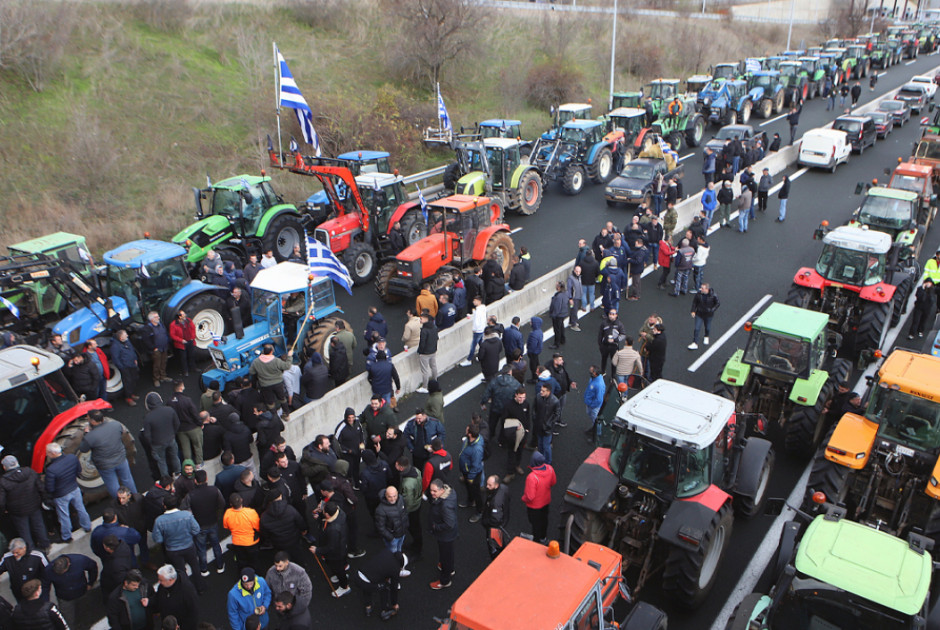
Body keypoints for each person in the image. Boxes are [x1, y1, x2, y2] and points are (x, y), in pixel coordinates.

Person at [152, 495, 204, 594]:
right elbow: (196, 529)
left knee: (181, 571)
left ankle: (187, 590)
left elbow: (158, 539)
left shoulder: (159, 521)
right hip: (189, 546)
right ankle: (200, 587)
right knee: (195, 566)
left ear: (164, 506)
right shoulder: (187, 515)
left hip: (172, 550)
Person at [43, 443, 92, 543]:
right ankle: (87, 526)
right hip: (74, 488)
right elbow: (79, 471)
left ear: (52, 453)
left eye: (47, 453)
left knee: (64, 516)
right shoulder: (72, 458)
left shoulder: (51, 470)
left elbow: (50, 488)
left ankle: (67, 537)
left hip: (61, 495)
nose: (46, 454)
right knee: (81, 509)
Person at [181, 470, 226, 576]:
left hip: (199, 525)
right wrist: (217, 515)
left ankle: (204, 569)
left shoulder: (190, 495)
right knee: (215, 544)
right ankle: (220, 565)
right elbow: (222, 504)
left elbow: (183, 508)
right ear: (206, 479)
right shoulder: (214, 490)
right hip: (213, 522)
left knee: (201, 548)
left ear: (195, 481)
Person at [0, 456, 50, 552]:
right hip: (34, 505)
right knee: (39, 526)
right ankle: (45, 545)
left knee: (24, 531)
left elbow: (1, 501)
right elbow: (41, 487)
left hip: (17, 511)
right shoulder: (30, 472)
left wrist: (3, 510)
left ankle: (30, 550)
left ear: (5, 467)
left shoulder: (3, 482)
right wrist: (45, 500)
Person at [309, 502, 351, 597]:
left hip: (336, 554)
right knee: (340, 566)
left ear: (327, 514)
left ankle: (344, 586)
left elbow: (331, 547)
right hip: (342, 546)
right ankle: (342, 574)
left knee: (338, 568)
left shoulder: (333, 529)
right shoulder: (340, 513)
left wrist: (317, 550)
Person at [44, 553, 97, 628]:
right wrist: (45, 603)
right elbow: (45, 586)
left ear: (68, 564)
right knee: (67, 620)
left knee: (85, 614)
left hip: (82, 592)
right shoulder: (48, 570)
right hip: (64, 598)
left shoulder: (80, 560)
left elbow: (93, 567)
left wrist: (91, 582)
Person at [352, 548, 405, 620]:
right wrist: (394, 604)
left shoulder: (386, 551)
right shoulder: (395, 569)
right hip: (367, 583)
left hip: (358, 575)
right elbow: (394, 588)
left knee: (367, 587)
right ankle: (384, 610)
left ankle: (368, 607)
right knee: (384, 588)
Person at [143, 392, 181, 478]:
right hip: (171, 439)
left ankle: (166, 478)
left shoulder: (148, 418)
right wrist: (172, 433)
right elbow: (177, 424)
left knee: (161, 461)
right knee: (175, 456)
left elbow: (147, 436)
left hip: (157, 443)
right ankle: (178, 473)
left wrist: (152, 444)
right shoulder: (170, 410)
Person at [428, 479, 457, 590]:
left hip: (445, 535)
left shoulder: (445, 505)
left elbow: (449, 524)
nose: (432, 493)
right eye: (431, 490)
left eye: (435, 491)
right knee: (448, 553)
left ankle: (445, 580)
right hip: (448, 535)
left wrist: (436, 527)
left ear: (441, 490)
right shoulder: (451, 492)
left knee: (445, 555)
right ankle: (450, 569)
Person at [250, 345, 293, 420]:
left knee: (270, 403)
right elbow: (287, 366)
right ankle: (286, 414)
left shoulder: (256, 362)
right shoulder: (276, 361)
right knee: (282, 399)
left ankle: (275, 418)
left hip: (265, 386)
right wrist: (289, 356)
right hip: (278, 384)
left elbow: (251, 371)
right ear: (271, 351)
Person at [521, 451, 556, 544]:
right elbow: (553, 482)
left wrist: (523, 498)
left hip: (534, 506)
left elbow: (530, 496)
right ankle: (543, 538)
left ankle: (536, 542)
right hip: (546, 501)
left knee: (535, 524)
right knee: (544, 520)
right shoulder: (550, 469)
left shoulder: (532, 477)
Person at [151, 564, 199, 630]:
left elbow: (193, 613)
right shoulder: (163, 586)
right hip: (168, 623)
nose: (159, 582)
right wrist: (149, 602)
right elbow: (158, 597)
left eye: (161, 580)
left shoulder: (187, 591)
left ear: (170, 580)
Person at [0, 539, 48, 603]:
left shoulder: (37, 556)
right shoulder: (7, 558)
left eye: (17, 552)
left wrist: (43, 587)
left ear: (24, 548)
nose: (15, 555)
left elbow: (48, 571)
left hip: (37, 592)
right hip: (19, 593)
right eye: (13, 552)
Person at [223, 494, 260, 571]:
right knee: (253, 561)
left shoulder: (228, 513)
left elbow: (226, 527)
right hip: (251, 542)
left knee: (241, 560)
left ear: (230, 504)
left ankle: (242, 573)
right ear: (241, 500)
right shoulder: (251, 512)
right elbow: (257, 527)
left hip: (237, 542)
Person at [110, 329, 140, 406]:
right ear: (121, 338)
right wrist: (122, 367)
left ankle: (132, 394)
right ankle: (128, 398)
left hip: (132, 364)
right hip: (125, 367)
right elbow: (115, 359)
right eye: (125, 335)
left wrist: (135, 359)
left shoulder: (127, 341)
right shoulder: (115, 346)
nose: (127, 335)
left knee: (134, 379)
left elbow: (132, 350)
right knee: (128, 382)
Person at [374, 486, 408, 553]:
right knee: (393, 553)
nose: (393, 499)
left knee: (399, 549)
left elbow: (405, 512)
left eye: (394, 496)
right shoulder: (380, 510)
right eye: (390, 496)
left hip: (402, 532)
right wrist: (391, 538)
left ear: (397, 493)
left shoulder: (400, 499)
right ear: (385, 495)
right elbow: (380, 527)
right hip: (393, 537)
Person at [689, 283, 720, 350]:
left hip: (708, 315)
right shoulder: (698, 294)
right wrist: (693, 311)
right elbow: (694, 303)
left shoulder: (713, 295)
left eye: (702, 288)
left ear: (707, 289)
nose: (701, 289)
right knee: (697, 328)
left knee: (707, 327)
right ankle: (695, 343)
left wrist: (712, 310)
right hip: (699, 313)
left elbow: (717, 303)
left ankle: (706, 336)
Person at [459, 295, 487, 368]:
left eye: (475, 301)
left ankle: (469, 360)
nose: (473, 302)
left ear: (479, 301)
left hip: (477, 331)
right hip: (482, 329)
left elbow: (477, 322)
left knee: (473, 346)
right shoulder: (482, 308)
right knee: (481, 343)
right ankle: (484, 355)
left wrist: (474, 329)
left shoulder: (478, 311)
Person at [416, 311, 439, 394]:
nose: (420, 320)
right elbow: (437, 338)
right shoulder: (434, 327)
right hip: (433, 351)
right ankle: (435, 380)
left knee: (425, 370)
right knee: (433, 366)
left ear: (426, 319)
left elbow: (422, 343)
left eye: (421, 319)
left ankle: (425, 387)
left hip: (425, 353)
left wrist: (420, 352)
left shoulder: (424, 330)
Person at [168, 311, 196, 377]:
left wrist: (192, 337)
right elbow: (172, 335)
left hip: (190, 341)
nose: (185, 316)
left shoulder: (188, 320)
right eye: (183, 315)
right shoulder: (173, 324)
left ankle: (193, 368)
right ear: (179, 316)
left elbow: (193, 328)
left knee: (191, 355)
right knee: (183, 358)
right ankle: (185, 371)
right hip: (181, 344)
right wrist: (181, 340)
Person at [597, 309, 625, 376]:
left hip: (614, 346)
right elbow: (600, 335)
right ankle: (603, 371)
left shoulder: (619, 325)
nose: (611, 316)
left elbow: (623, 335)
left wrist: (615, 340)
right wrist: (600, 345)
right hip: (605, 346)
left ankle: (613, 375)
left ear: (616, 315)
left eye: (613, 314)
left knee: (614, 362)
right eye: (610, 314)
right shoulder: (604, 323)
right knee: (603, 359)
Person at [583, 365, 606, 433]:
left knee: (596, 421)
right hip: (590, 403)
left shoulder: (599, 385)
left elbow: (599, 399)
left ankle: (597, 435)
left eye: (591, 371)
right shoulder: (593, 379)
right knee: (591, 417)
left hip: (594, 406)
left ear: (595, 373)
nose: (589, 372)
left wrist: (591, 405)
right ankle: (594, 429)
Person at [525, 316, 544, 384]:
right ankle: (538, 374)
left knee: (533, 365)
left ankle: (534, 378)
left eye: (531, 322)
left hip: (533, 352)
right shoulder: (539, 331)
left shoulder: (534, 334)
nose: (530, 323)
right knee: (536, 363)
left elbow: (532, 346)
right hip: (537, 351)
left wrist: (529, 351)